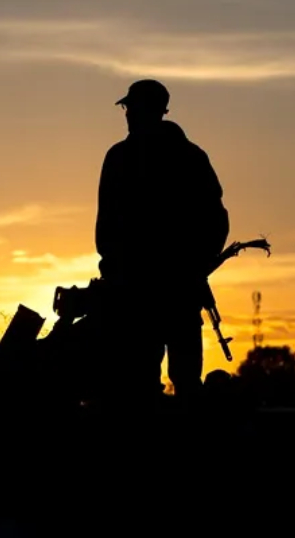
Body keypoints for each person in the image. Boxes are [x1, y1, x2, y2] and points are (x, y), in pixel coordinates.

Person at [94, 79, 230, 400]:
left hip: (146, 292)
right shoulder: (191, 157)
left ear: (150, 110)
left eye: (131, 107)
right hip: (167, 291)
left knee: (145, 383)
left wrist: (115, 270)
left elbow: (107, 226)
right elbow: (217, 222)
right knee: (176, 381)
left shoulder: (120, 158)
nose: (127, 115)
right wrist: (197, 268)